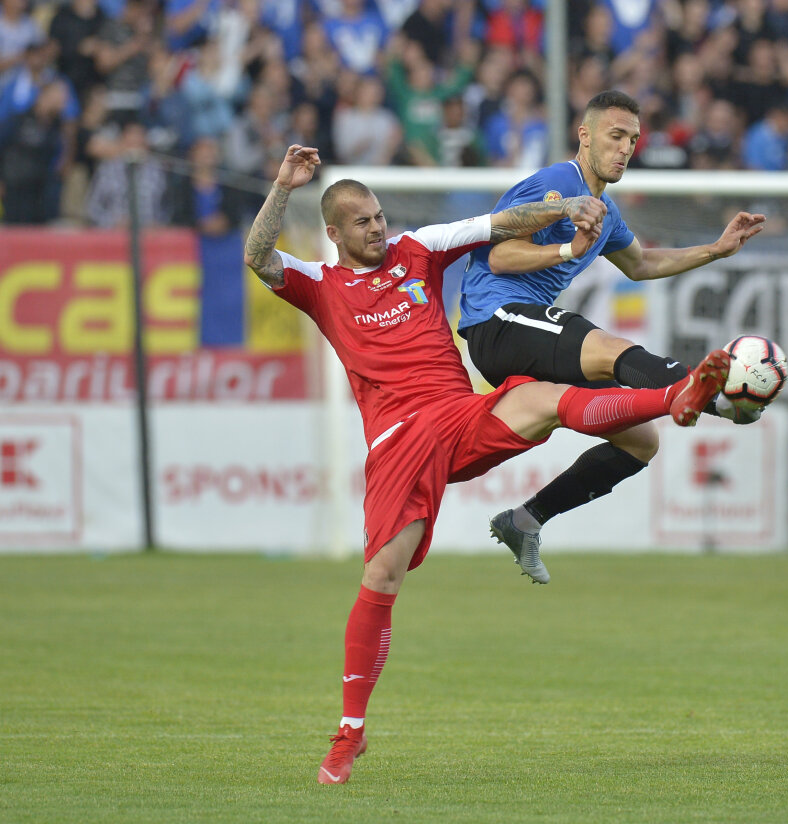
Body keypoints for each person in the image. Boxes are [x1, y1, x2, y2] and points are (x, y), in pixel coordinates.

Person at [243, 145, 732, 786]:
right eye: (362, 221)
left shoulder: (419, 249)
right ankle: (350, 734)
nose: (377, 227)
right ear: (333, 232)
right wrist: (283, 186)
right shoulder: (321, 287)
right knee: (383, 577)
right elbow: (258, 257)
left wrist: (559, 209)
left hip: (455, 415)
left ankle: (677, 396)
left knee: (536, 401)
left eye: (380, 215)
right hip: (395, 441)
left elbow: (495, 226)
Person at [456, 90, 766, 584]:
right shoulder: (558, 184)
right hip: (498, 320)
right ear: (585, 136)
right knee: (607, 350)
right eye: (615, 136)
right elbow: (498, 256)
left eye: (633, 140)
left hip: (527, 327)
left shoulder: (606, 211)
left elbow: (641, 264)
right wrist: (564, 249)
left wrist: (716, 249)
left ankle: (526, 519)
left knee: (640, 443)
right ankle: (719, 402)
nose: (625, 148)